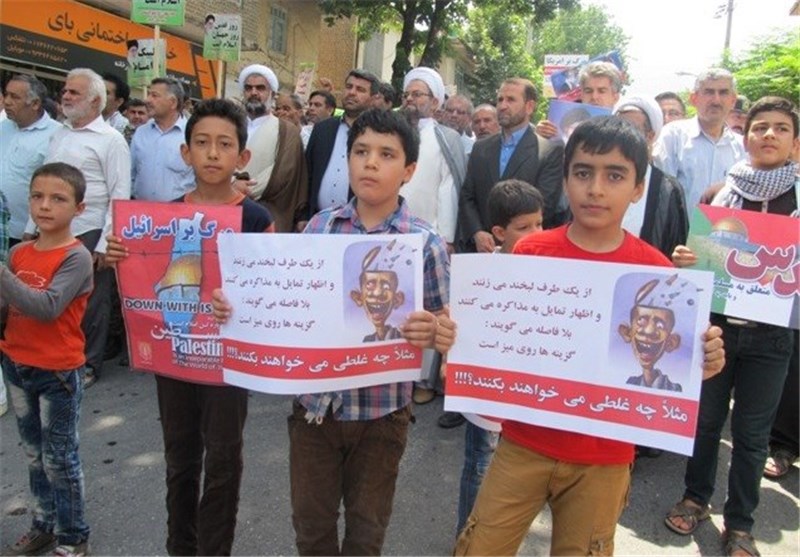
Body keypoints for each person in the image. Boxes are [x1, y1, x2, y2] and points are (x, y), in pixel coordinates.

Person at [451, 116, 726, 556]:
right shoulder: (530, 252)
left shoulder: (657, 274)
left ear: (638, 188)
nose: (595, 189)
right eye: (583, 173)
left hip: (604, 459)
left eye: (614, 176)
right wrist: (459, 335)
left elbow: (673, 373)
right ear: (565, 180)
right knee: (480, 546)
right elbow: (499, 337)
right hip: (523, 442)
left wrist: (703, 362)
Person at [214, 108, 450, 555]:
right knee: (311, 527)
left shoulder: (426, 243)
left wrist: (434, 328)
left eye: (386, 154)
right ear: (348, 158)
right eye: (360, 151)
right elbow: (283, 299)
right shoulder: (320, 227)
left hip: (382, 415)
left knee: (366, 531)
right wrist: (235, 308)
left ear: (409, 171)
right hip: (314, 412)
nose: (371, 163)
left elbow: (445, 324)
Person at [104, 98, 274, 556]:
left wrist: (238, 305)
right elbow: (142, 280)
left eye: (224, 144)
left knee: (223, 461)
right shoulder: (160, 218)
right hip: (175, 358)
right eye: (201, 143)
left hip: (227, 364)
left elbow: (267, 293)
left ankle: (215, 550)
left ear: (242, 156)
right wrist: (121, 256)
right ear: (186, 153)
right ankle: (180, 546)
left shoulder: (257, 220)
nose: (212, 153)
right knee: (179, 460)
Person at [665, 96, 798, 557]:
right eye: (760, 127)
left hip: (773, 337)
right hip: (716, 331)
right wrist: (686, 258)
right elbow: (700, 259)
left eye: (781, 128)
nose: (769, 135)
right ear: (747, 136)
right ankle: (695, 499)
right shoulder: (719, 195)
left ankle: (740, 524)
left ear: (794, 142)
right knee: (705, 423)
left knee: (752, 436)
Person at [1, 162, 93, 557]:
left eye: (58, 199)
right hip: (16, 364)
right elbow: (8, 308)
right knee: (33, 454)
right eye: (37, 196)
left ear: (79, 208)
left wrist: (2, 275)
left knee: (59, 458)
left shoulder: (77, 257)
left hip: (57, 371)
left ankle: (73, 536)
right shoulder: (19, 252)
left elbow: (47, 307)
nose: (44, 206)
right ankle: (43, 524)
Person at [455, 178, 544, 532]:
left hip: (527, 396)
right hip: (486, 399)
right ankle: (466, 541)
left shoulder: (552, 271)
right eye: (524, 227)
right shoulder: (479, 276)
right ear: (499, 232)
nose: (536, 233)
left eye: (540, 224)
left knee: (518, 475)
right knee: (480, 466)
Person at [32, 68, 131, 388]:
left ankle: (88, 363)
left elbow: (119, 193)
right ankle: (57, 357)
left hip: (90, 229)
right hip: (51, 229)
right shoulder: (60, 134)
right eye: (65, 90)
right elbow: (44, 182)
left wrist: (105, 242)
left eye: (74, 92)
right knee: (54, 297)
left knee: (91, 301)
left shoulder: (111, 140)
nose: (65, 95)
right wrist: (31, 226)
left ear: (95, 102)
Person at [398, 66, 467, 406]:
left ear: (435, 102)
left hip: (429, 236)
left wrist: (445, 236)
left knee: (428, 309)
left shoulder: (445, 137)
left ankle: (424, 378)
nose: (411, 100)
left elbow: (448, 188)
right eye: (407, 94)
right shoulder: (395, 131)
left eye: (418, 94)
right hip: (392, 232)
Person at [458, 77, 564, 254]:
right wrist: (477, 232)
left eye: (511, 100)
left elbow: (546, 205)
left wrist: (510, 235)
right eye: (500, 99)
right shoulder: (481, 148)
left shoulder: (548, 151)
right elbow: (467, 195)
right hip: (482, 251)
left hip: (524, 251)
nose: (502, 106)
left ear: (529, 106)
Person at [653, 68, 746, 210]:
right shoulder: (672, 136)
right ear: (694, 98)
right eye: (709, 92)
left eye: (723, 93)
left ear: (733, 100)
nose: (716, 100)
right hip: (679, 224)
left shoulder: (743, 146)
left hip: (727, 224)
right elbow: (661, 193)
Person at [613, 96, 689, 258]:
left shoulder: (668, 188)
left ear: (650, 135)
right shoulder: (597, 178)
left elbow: (676, 244)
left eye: (632, 129)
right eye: (618, 128)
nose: (623, 135)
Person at [235, 64, 307, 232]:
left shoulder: (286, 131)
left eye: (260, 88)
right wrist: (230, 185)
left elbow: (283, 172)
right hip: (228, 210)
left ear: (272, 94)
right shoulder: (230, 125)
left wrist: (243, 189)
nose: (254, 92)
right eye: (248, 88)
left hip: (267, 213)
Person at [303, 68, 380, 226]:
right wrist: (303, 216)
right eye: (349, 87)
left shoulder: (379, 133)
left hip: (359, 224)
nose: (352, 92)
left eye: (360, 89)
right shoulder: (323, 129)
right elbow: (307, 174)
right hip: (317, 223)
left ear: (373, 98)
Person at [0, 74, 62, 247]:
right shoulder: (3, 127)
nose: (7, 101)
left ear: (35, 104)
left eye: (15, 97)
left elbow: (53, 186)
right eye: (6, 94)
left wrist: (33, 227)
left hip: (21, 233)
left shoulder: (57, 135)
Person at [131, 77, 194, 202]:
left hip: (180, 212)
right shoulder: (141, 132)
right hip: (141, 211)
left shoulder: (192, 135)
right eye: (149, 94)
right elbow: (130, 173)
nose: (147, 100)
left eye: (154, 95)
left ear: (173, 102)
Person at [619, 277, 685, 391]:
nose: (649, 331)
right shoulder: (629, 383)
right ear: (626, 333)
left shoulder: (675, 389)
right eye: (641, 321)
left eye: (660, 325)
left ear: (671, 342)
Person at [536, 61, 623, 139]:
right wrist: (540, 138)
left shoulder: (623, 135)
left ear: (615, 98)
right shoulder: (563, 125)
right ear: (581, 94)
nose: (594, 96)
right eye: (588, 91)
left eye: (601, 91)